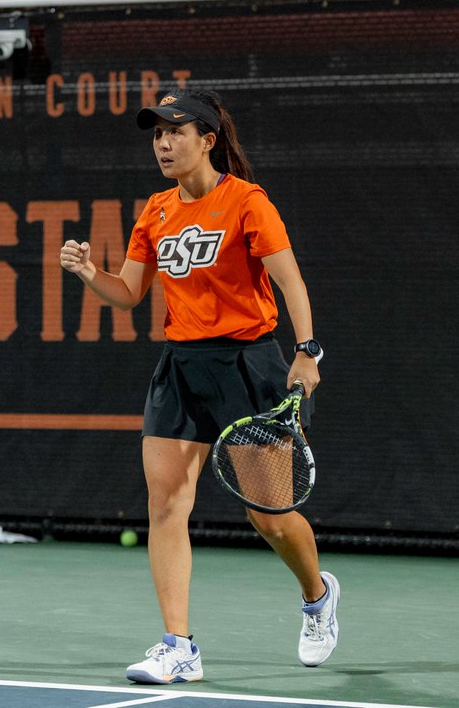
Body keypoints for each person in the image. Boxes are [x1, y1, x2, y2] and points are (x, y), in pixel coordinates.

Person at [59, 89, 338, 684]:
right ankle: (178, 646)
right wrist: (90, 274)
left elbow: (290, 282)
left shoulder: (247, 202)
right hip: (181, 367)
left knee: (269, 516)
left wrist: (307, 352)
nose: (162, 143)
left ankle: (317, 597)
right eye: (156, 133)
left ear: (207, 140)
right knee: (165, 504)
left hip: (248, 364)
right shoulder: (155, 211)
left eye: (175, 131)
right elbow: (129, 293)